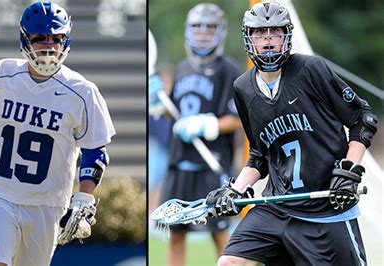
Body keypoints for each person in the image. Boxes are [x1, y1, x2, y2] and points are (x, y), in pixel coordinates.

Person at [0, 2, 115, 265]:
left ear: (66, 39)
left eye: (56, 38)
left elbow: (95, 151)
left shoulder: (82, 92)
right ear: (25, 39)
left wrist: (83, 198)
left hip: (46, 205)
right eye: (40, 38)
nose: (48, 45)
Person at [205, 2, 378, 265]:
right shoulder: (243, 88)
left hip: (326, 210)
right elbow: (259, 155)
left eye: (275, 32)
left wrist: (349, 171)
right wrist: (236, 190)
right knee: (228, 261)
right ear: (248, 38)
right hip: (277, 207)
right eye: (260, 33)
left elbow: (362, 120)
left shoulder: (311, 70)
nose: (268, 40)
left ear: (287, 35)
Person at [150, 3, 243, 265]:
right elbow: (175, 114)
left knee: (220, 232)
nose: (203, 33)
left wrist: (208, 125)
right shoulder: (181, 68)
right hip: (179, 163)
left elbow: (238, 119)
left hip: (212, 164)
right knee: (176, 233)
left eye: (210, 27)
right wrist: (159, 103)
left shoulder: (230, 70)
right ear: (187, 31)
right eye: (196, 27)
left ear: (221, 31)